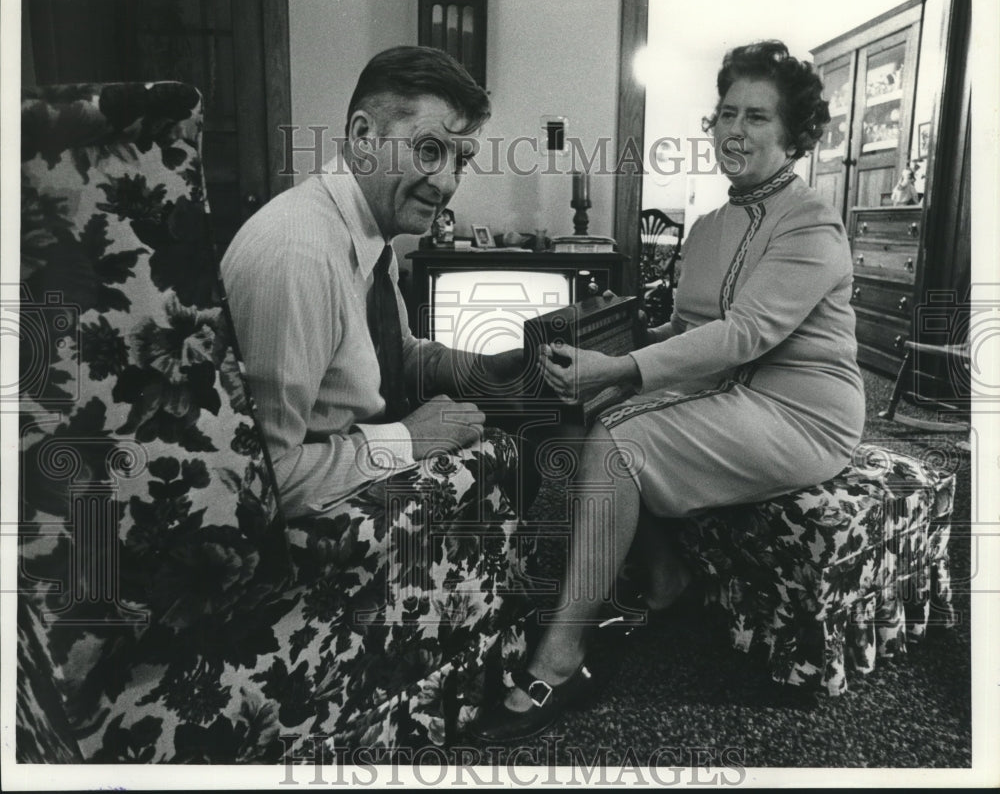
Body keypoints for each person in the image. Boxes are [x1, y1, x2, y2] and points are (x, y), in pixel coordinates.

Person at [472, 40, 866, 741]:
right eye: (725, 114)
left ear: (793, 135)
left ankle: (560, 655)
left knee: (622, 437)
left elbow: (745, 335)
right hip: (729, 394)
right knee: (575, 412)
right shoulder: (712, 225)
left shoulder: (813, 222)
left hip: (802, 412)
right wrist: (601, 364)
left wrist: (620, 373)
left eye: (756, 117)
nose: (734, 131)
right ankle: (663, 577)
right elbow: (685, 334)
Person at [222, 46, 522, 518]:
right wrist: (408, 438)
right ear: (364, 136)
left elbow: (393, 357)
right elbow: (262, 478)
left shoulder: (366, 232)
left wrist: (496, 366)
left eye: (460, 161)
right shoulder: (298, 255)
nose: (446, 185)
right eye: (429, 150)